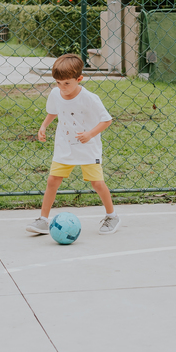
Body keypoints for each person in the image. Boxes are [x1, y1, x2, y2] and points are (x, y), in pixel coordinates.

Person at [26, 54, 120, 236]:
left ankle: (112, 216)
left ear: (79, 79)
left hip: (87, 147)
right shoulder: (55, 94)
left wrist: (90, 134)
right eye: (58, 83)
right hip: (64, 146)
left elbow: (107, 120)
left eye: (67, 83)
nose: (62, 87)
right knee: (52, 181)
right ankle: (43, 220)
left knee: (97, 183)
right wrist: (43, 126)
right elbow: (54, 111)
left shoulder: (90, 98)